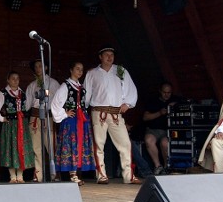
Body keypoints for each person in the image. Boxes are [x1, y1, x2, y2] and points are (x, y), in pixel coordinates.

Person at [83, 46, 140, 185]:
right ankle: (101, 174)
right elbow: (86, 93)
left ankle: (128, 176)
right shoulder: (92, 73)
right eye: (106, 54)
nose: (110, 57)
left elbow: (130, 88)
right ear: (100, 57)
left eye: (112, 55)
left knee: (125, 143)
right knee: (99, 144)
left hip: (115, 113)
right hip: (99, 112)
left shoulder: (120, 71)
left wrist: (128, 103)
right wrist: (84, 108)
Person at [51, 61, 95, 185]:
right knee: (72, 145)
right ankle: (72, 175)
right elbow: (55, 104)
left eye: (81, 69)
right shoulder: (65, 86)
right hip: (71, 122)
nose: (80, 71)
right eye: (77, 69)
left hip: (81, 120)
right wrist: (65, 113)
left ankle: (76, 173)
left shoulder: (81, 88)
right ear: (71, 70)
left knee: (79, 145)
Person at [0, 70, 34, 183]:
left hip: (22, 125)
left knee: (21, 148)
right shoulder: (3, 94)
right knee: (11, 148)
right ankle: (12, 177)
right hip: (10, 126)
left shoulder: (22, 94)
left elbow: (27, 107)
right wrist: (2, 118)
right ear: (8, 80)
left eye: (17, 79)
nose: (15, 81)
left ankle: (20, 176)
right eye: (13, 78)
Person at [25, 59, 60, 182]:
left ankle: (54, 174)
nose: (38, 68)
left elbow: (58, 101)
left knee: (51, 146)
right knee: (36, 147)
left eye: (40, 66)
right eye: (36, 66)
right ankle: (38, 174)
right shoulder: (32, 85)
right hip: (35, 117)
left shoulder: (53, 83)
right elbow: (27, 105)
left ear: (45, 68)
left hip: (48, 116)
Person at [141, 82, 179, 175]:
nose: (166, 95)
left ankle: (166, 167)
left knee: (165, 143)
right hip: (153, 130)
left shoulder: (176, 99)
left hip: (168, 131)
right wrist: (160, 113)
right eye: (164, 92)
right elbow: (145, 117)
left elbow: (189, 102)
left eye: (169, 92)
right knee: (149, 140)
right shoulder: (153, 101)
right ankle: (158, 166)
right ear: (160, 91)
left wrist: (176, 105)